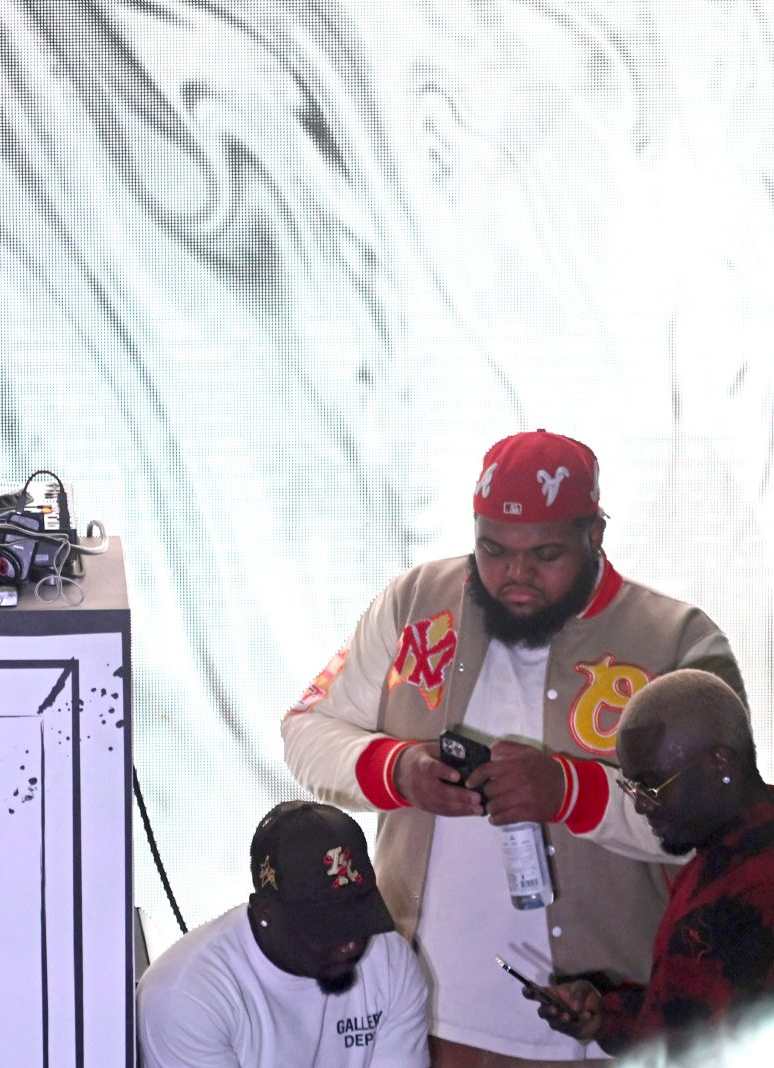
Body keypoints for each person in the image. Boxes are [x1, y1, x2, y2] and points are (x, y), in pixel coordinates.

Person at [281, 430, 743, 1066]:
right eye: (492, 550)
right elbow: (306, 728)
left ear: (596, 535)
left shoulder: (680, 642)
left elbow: (724, 819)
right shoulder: (415, 602)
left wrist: (571, 792)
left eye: (545, 554)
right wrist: (397, 768)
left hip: (608, 1019)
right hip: (419, 1013)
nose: (515, 575)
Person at [528, 669, 774, 1057]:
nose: (641, 805)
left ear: (719, 763)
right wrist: (608, 1016)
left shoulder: (761, 887)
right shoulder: (762, 836)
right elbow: (691, 1018)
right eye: (631, 786)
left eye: (652, 785)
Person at [138, 800, 428, 1066]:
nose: (351, 944)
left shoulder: (391, 962)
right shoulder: (187, 996)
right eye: (330, 927)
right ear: (265, 912)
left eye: (360, 916)